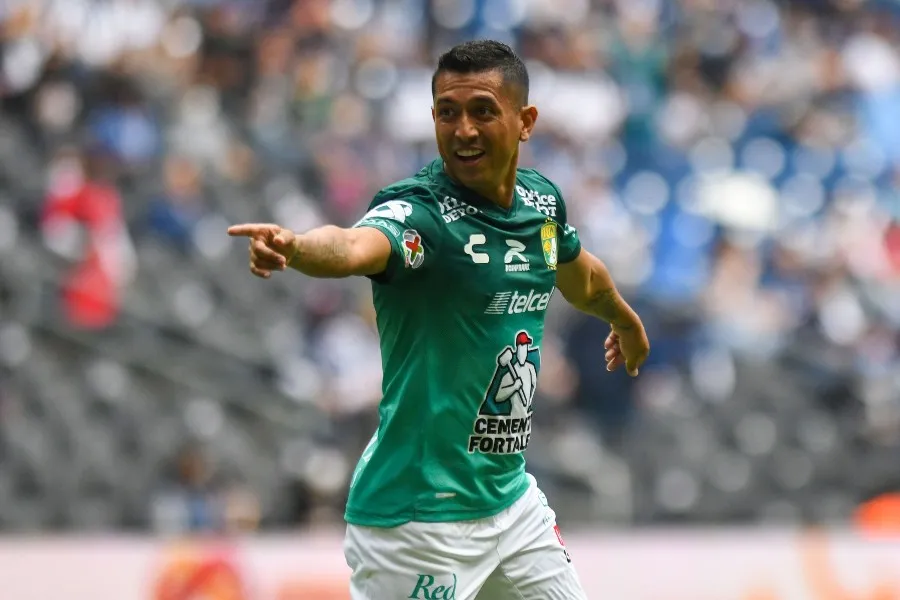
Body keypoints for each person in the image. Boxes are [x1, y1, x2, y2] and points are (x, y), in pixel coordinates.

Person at [228, 40, 650, 600]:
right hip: (416, 523)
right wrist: (298, 247)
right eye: (448, 113)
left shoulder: (541, 206)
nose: (463, 130)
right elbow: (355, 245)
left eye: (482, 112)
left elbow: (579, 274)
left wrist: (622, 319)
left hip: (508, 501)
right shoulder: (422, 215)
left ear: (525, 122)